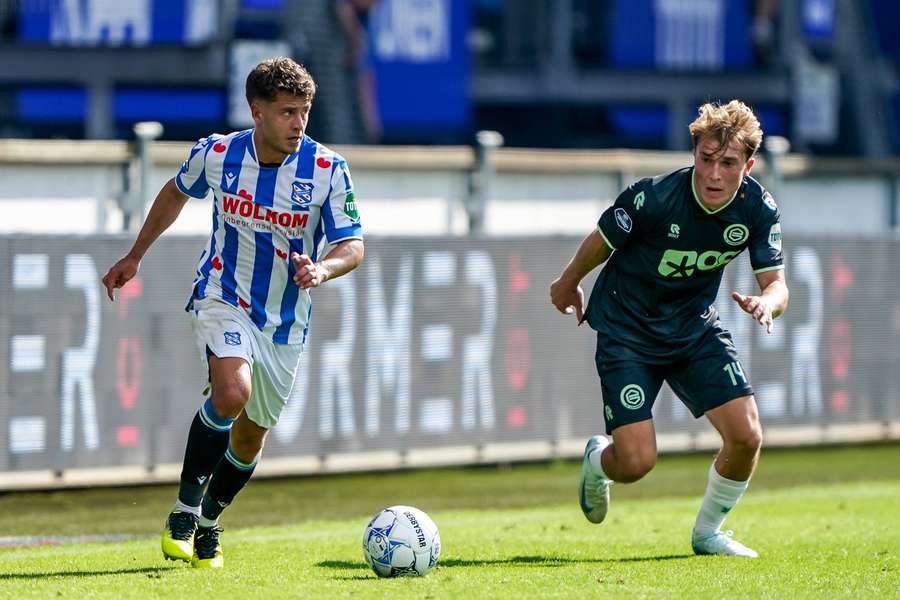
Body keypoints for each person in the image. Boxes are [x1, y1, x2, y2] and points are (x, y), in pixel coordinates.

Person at [102, 57, 364, 569]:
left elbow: (352, 245)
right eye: (288, 112)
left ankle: (209, 521)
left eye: (305, 112)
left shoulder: (327, 168)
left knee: (250, 437)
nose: (299, 124)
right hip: (223, 294)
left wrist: (324, 270)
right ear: (257, 111)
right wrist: (135, 255)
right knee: (231, 392)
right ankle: (183, 510)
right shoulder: (218, 154)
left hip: (285, 320)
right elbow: (176, 192)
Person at [550, 100, 788, 558]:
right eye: (706, 159)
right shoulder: (654, 197)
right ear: (694, 152)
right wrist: (567, 283)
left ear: (749, 165)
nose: (714, 174)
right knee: (637, 463)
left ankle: (708, 533)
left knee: (747, 435)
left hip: (693, 328)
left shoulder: (758, 209)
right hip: (627, 330)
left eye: (728, 163)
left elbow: (777, 284)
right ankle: (599, 462)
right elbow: (602, 239)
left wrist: (767, 304)